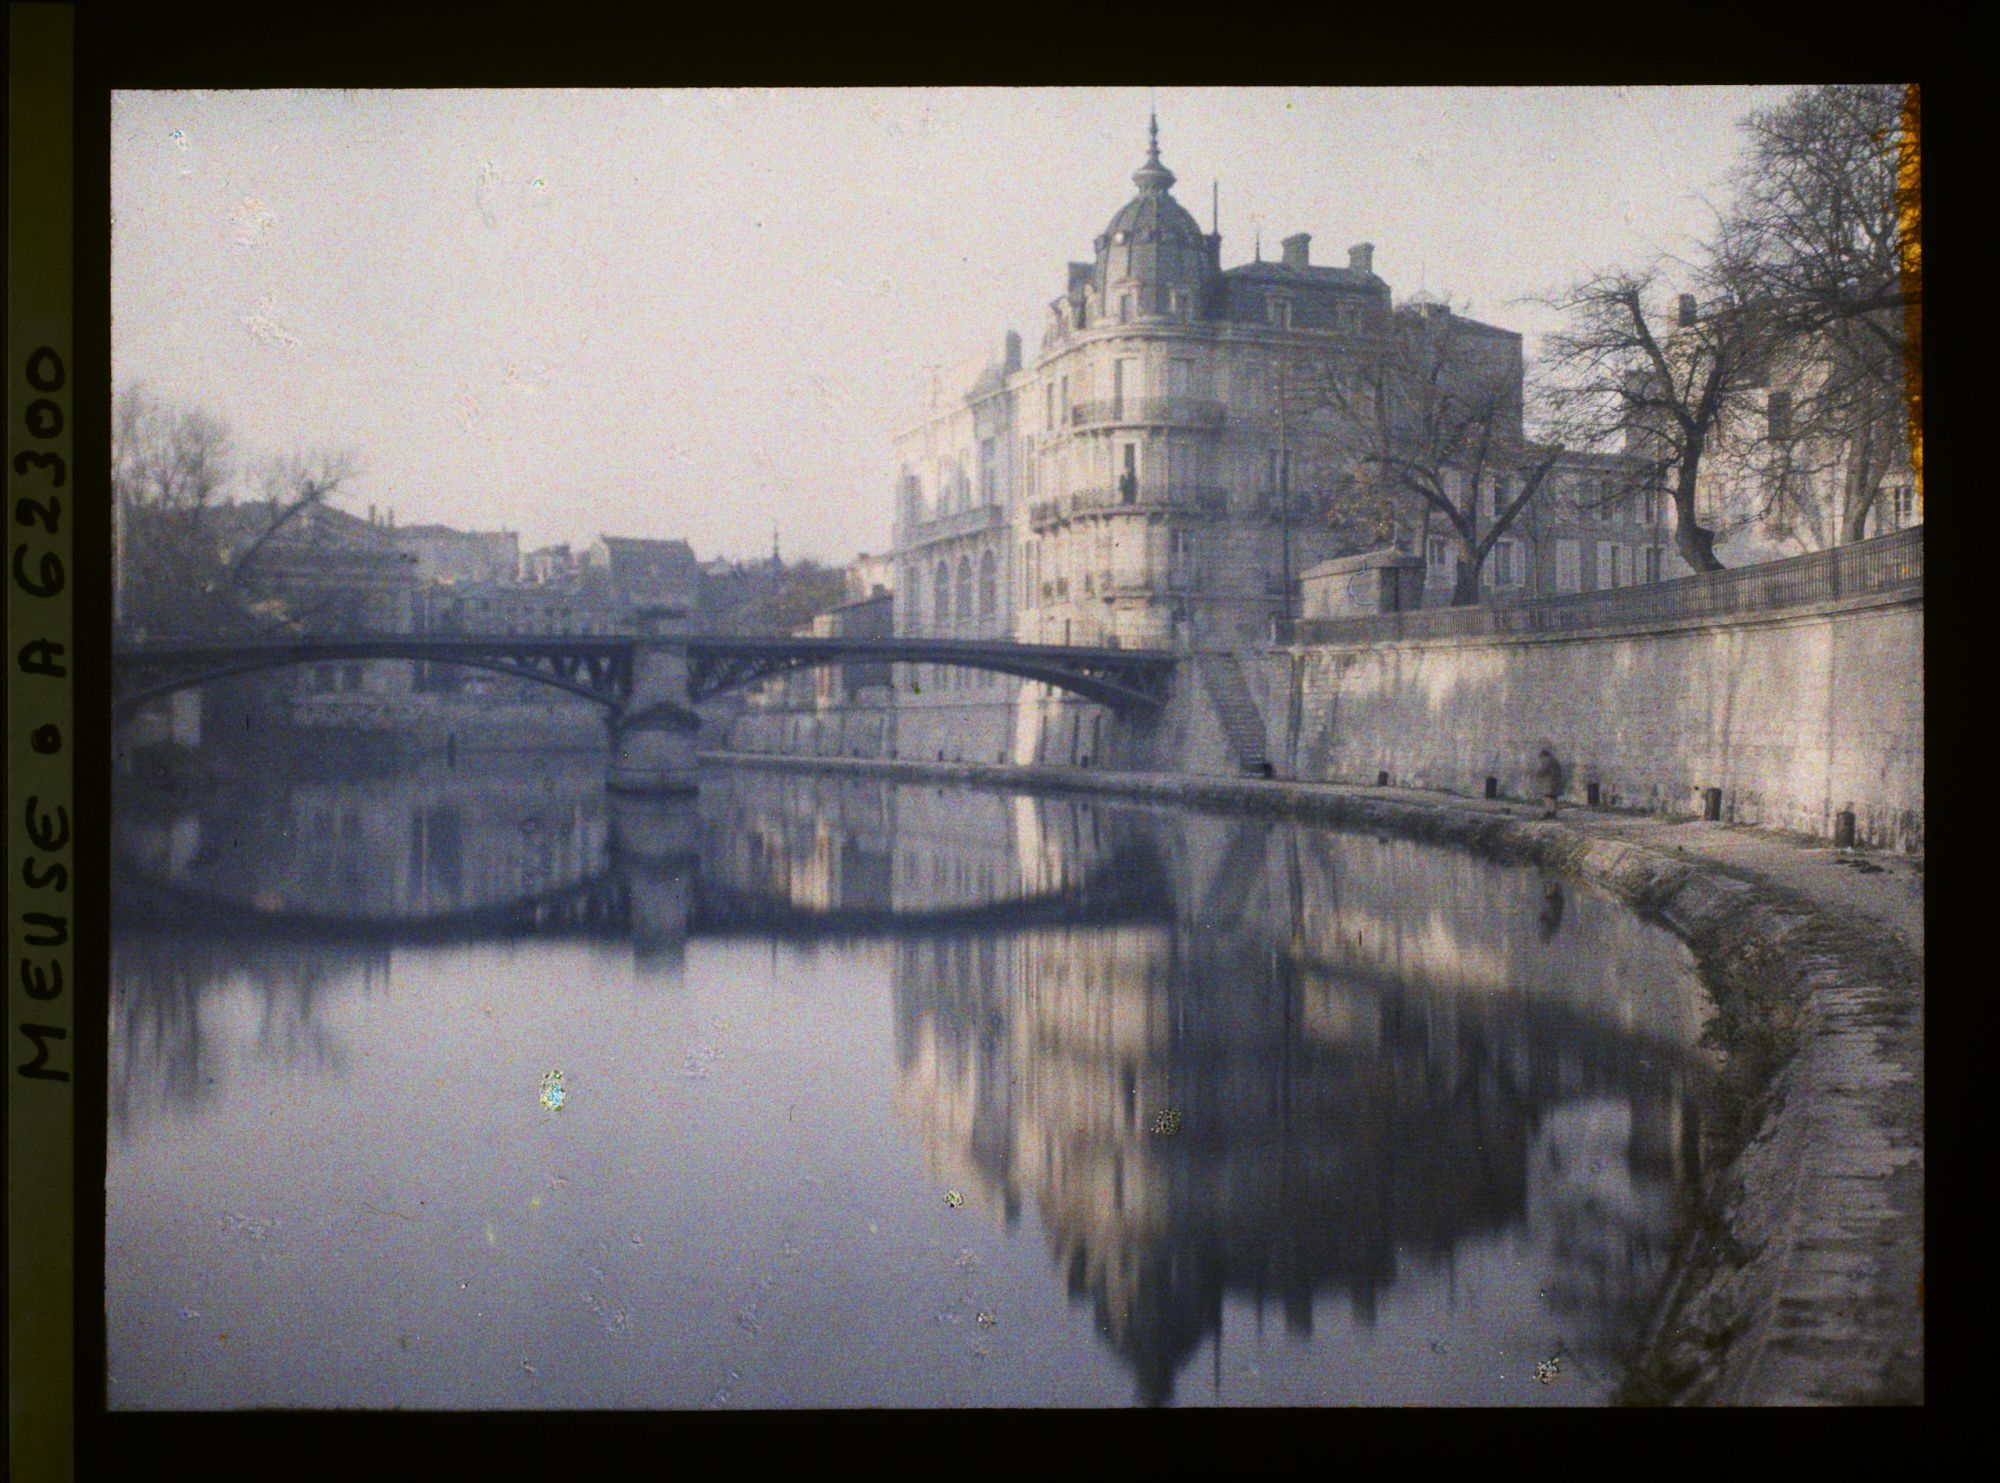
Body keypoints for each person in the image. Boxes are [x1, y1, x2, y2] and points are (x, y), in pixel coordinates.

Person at [1535, 748, 1564, 819]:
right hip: (1556, 781)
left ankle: (1549, 812)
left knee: (1547, 797)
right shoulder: (1554, 760)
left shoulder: (1547, 760)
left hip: (1549, 782)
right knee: (1553, 797)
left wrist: (1537, 773)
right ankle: (1553, 812)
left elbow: (1543, 770)